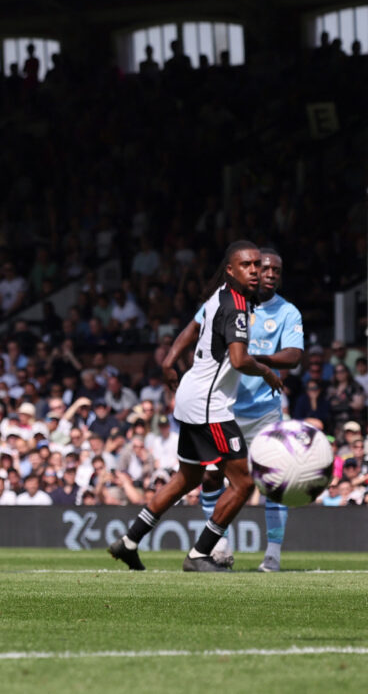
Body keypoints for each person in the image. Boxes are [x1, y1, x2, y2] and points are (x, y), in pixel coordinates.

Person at [108, 241, 283, 572]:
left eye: (258, 265)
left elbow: (194, 326)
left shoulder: (219, 294)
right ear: (230, 270)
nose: (256, 271)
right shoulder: (236, 306)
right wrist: (266, 372)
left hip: (192, 395)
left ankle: (129, 541)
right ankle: (200, 554)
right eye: (247, 265)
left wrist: (171, 358)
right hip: (208, 404)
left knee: (187, 477)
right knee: (244, 484)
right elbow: (239, 359)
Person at [194, 249, 304, 571]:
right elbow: (197, 330)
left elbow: (295, 356)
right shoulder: (227, 301)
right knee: (212, 475)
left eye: (276, 271)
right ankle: (220, 546)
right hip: (223, 405)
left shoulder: (288, 312)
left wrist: (258, 361)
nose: (269, 274)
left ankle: (273, 554)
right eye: (264, 267)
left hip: (264, 411)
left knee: (275, 480)